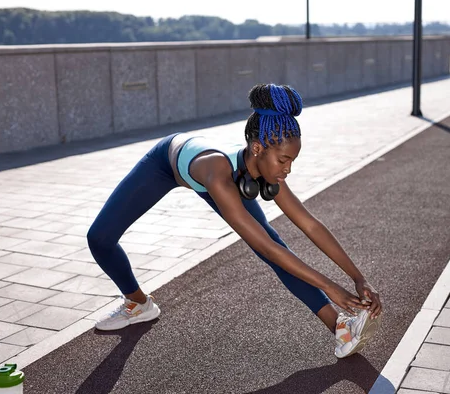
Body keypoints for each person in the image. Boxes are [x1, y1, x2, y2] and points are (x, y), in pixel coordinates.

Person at [87, 83, 382, 358]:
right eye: (283, 160)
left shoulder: (267, 169)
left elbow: (310, 225)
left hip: (220, 172)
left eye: (292, 161)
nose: (288, 169)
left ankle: (340, 327)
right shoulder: (219, 176)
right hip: (165, 162)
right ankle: (138, 303)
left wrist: (358, 277)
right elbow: (267, 248)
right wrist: (332, 287)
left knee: (274, 245)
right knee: (99, 238)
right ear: (258, 149)